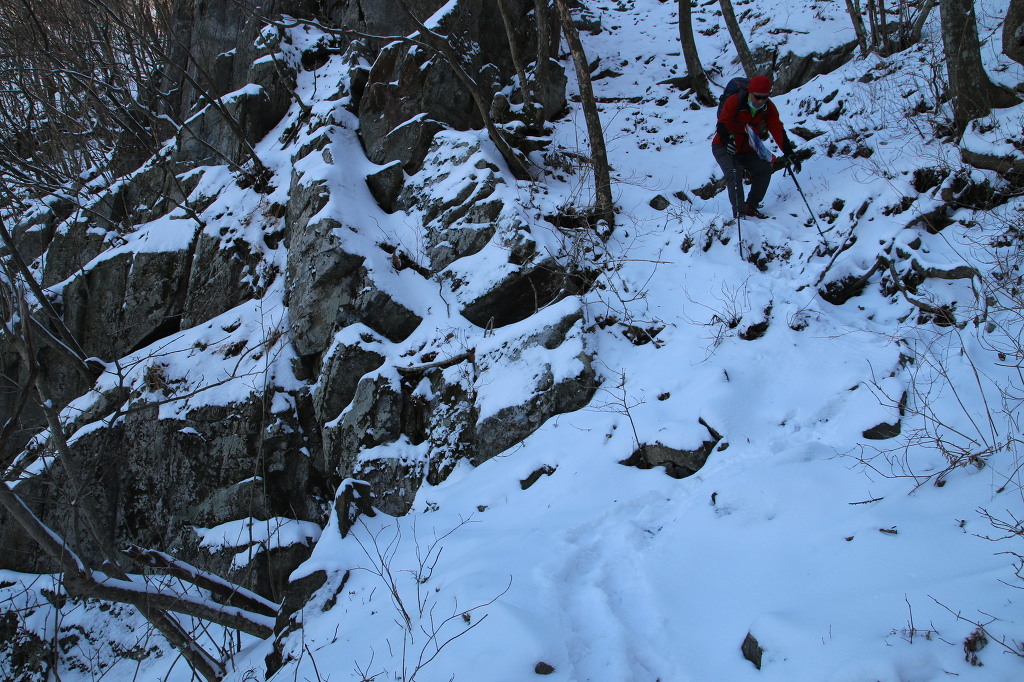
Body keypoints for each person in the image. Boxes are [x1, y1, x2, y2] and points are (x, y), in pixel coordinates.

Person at [712, 75, 800, 219]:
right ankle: (740, 214)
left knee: (764, 169)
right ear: (750, 92)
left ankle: (750, 207)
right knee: (734, 173)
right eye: (757, 97)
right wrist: (728, 141)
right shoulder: (734, 101)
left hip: (746, 148)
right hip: (723, 146)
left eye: (764, 97)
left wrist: (789, 152)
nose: (760, 101)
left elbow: (777, 128)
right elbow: (722, 123)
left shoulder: (768, 107)